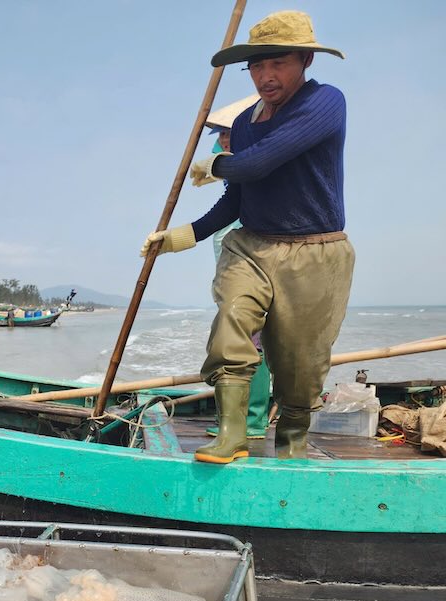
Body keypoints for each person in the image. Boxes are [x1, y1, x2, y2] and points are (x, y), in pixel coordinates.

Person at [142, 10, 353, 463]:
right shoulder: (241, 124)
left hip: (316, 253)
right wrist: (183, 236)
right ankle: (233, 433)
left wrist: (213, 164)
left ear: (305, 61)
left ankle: (293, 440)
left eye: (277, 63)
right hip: (251, 245)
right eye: (256, 66)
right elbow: (236, 200)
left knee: (301, 367)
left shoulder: (326, 103)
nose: (265, 75)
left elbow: (259, 164)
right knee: (231, 326)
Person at [200, 95, 272, 441]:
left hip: (253, 262)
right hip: (231, 264)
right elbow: (224, 202)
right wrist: (184, 236)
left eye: (229, 132)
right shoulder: (232, 158)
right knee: (240, 336)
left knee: (250, 340)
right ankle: (244, 418)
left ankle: (253, 420)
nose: (224, 139)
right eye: (220, 134)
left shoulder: (255, 159)